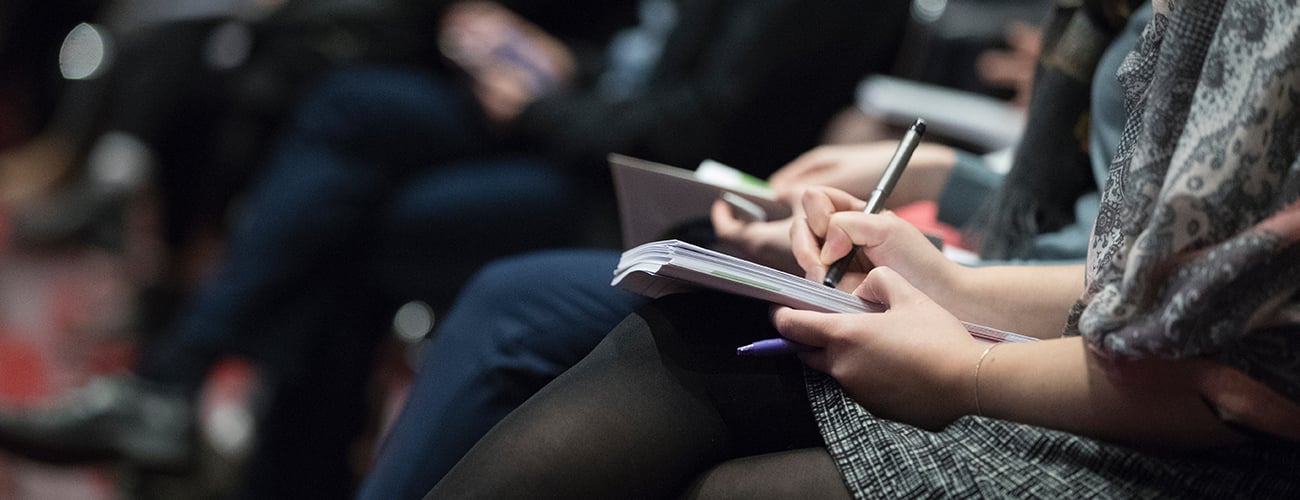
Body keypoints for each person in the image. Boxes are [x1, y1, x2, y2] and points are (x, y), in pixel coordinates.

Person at [0, 0, 908, 497]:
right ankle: (197, 400)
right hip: (588, 129)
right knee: (347, 107)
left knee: (363, 225)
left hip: (658, 198)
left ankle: (210, 411)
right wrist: (541, 61)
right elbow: (642, 67)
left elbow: (698, 125)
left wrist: (547, 104)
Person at [417, 0, 1300, 497]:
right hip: (1077, 329)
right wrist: (946, 277)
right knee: (680, 331)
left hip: (1186, 436)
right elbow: (1137, 274)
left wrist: (966, 365)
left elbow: (1236, 373)